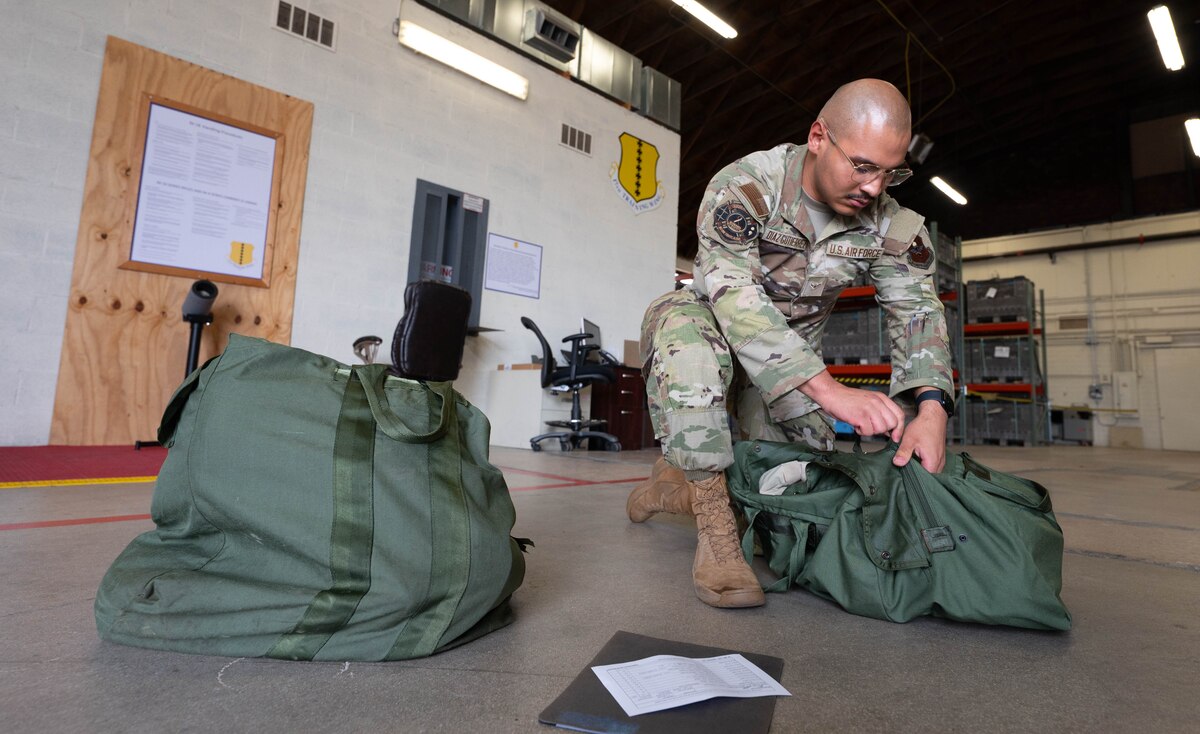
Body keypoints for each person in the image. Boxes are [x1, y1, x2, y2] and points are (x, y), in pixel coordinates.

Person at [627, 79, 955, 609]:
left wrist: (932, 407)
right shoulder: (747, 186)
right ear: (819, 136)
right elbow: (732, 295)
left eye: (891, 172)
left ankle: (671, 485)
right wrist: (830, 390)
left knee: (794, 488)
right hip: (707, 320)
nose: (875, 187)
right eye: (863, 166)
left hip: (793, 351)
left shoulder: (892, 225)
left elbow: (916, 310)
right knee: (689, 353)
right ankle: (714, 528)